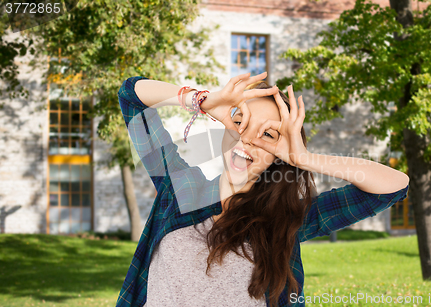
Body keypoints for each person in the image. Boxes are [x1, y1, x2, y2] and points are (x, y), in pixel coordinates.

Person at [116, 72, 410, 307]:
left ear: (278, 155)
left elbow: (392, 187)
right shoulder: (181, 187)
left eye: (268, 134)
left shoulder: (285, 218)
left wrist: (304, 159)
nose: (249, 139)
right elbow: (131, 95)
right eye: (241, 122)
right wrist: (203, 101)